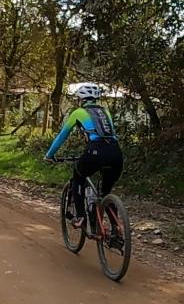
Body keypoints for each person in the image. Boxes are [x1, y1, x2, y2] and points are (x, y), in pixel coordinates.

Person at [44, 83, 124, 231]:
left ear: (81, 99)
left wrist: (49, 155)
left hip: (95, 151)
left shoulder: (78, 112)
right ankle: (116, 228)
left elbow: (62, 136)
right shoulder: (105, 112)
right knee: (105, 192)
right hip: (116, 152)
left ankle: (80, 216)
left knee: (78, 176)